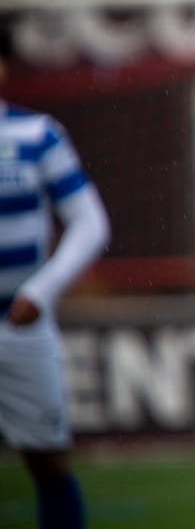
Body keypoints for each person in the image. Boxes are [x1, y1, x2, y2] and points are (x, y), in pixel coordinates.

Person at [0, 30, 112, 529]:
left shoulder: (36, 135)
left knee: (47, 460)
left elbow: (91, 223)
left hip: (19, 322)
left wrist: (40, 292)